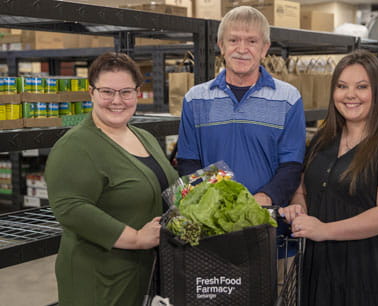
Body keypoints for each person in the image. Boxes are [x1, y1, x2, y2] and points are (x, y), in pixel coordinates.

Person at [280, 49, 378, 305]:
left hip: (372, 267)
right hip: (322, 265)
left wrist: (324, 230)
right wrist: (299, 209)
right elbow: (302, 187)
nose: (350, 95)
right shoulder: (324, 139)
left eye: (362, 87)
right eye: (342, 86)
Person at [45, 52, 178, 306]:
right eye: (107, 91)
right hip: (99, 280)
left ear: (138, 93)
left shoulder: (143, 136)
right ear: (91, 92)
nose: (117, 101)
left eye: (126, 91)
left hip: (142, 275)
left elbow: (164, 186)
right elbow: (71, 208)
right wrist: (137, 238)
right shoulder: (76, 145)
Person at [176, 5, 306, 209]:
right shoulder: (195, 99)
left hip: (265, 216)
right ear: (221, 45)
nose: (242, 49)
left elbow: (291, 166)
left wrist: (263, 198)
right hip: (212, 216)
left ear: (264, 48)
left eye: (252, 41)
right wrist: (213, 200)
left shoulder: (288, 98)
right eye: (233, 40)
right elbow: (187, 161)